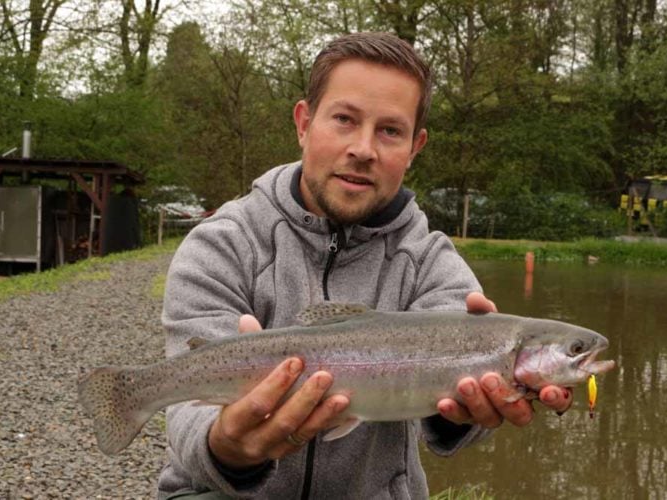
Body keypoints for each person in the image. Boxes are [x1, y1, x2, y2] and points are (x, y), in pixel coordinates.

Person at [158, 32, 571, 499]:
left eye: (390, 131)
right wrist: (229, 446)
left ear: (415, 147)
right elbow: (188, 416)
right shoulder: (221, 245)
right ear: (303, 123)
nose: (364, 148)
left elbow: (467, 411)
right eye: (344, 120)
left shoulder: (431, 264)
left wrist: (462, 412)